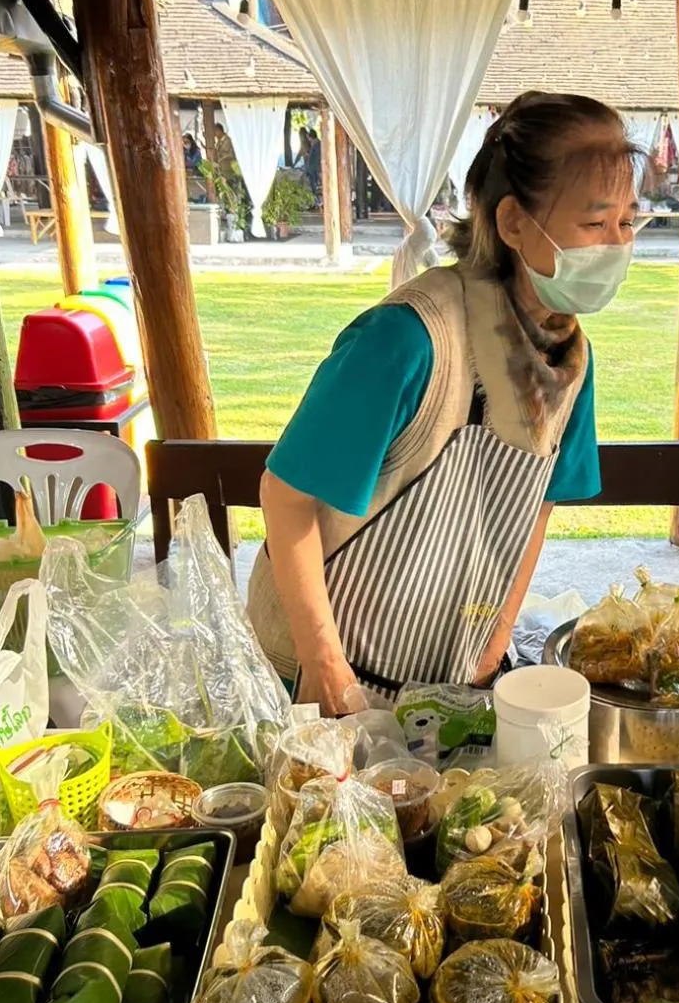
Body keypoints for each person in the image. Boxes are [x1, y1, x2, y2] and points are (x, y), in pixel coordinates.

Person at [248, 91, 637, 713]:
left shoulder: (569, 360)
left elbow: (540, 505)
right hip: (323, 666)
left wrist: (498, 635)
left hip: (444, 670)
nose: (617, 245)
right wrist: (323, 663)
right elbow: (286, 496)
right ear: (512, 223)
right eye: (595, 224)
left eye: (627, 221)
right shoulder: (407, 338)